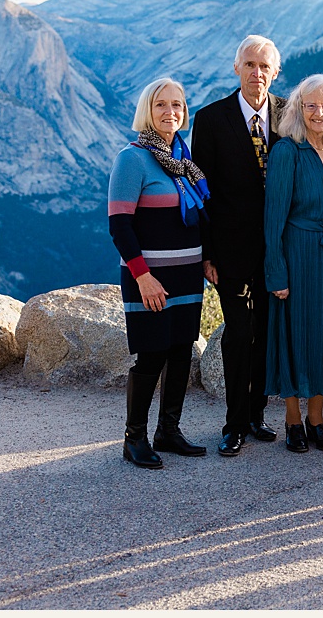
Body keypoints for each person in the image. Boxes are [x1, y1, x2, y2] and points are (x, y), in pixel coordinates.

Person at [189, 35, 286, 455]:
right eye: (249, 65)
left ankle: (257, 413)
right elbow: (201, 192)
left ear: (275, 73)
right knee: (238, 332)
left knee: (265, 333)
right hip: (229, 249)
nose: (256, 74)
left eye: (264, 67)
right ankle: (233, 423)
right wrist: (206, 252)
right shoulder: (211, 120)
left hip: (278, 247)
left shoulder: (289, 114)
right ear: (236, 69)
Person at [109, 77, 212, 469]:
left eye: (177, 105)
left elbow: (198, 220)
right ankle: (133, 438)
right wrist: (142, 276)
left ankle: (168, 431)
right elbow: (119, 226)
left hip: (187, 276)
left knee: (181, 352)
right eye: (161, 105)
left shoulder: (184, 162)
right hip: (150, 278)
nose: (170, 112)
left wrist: (207, 261)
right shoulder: (132, 159)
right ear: (146, 112)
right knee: (151, 356)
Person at [263, 74, 323, 454]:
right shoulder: (287, 151)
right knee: (295, 334)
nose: (319, 113)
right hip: (297, 255)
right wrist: (276, 270)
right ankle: (293, 420)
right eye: (311, 105)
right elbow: (273, 219)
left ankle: (318, 419)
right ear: (299, 109)